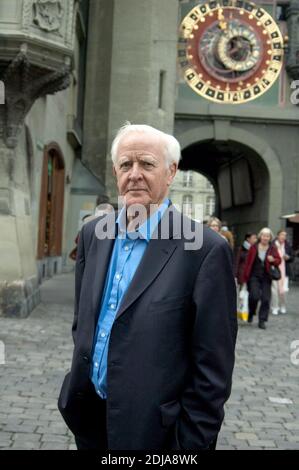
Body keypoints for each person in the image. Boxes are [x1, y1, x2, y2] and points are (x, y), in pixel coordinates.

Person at [58, 123, 237, 450]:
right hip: (89, 420)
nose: (135, 174)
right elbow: (83, 324)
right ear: (115, 172)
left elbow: (213, 369)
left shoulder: (204, 250)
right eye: (126, 164)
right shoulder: (92, 235)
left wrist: (189, 446)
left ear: (171, 172)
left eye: (147, 164)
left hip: (156, 433)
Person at [242, 227, 281, 329]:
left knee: (266, 299)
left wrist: (273, 260)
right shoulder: (253, 247)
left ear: (270, 237)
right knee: (254, 296)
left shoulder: (272, 248)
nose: (265, 238)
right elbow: (247, 263)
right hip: (254, 275)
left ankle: (262, 320)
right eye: (263, 235)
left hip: (266, 276)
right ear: (260, 236)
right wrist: (245, 277)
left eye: (267, 236)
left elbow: (279, 260)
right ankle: (251, 312)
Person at [271, 230, 294, 315]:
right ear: (277, 235)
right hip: (275, 270)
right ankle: (275, 307)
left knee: (283, 290)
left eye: (285, 235)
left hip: (285, 270)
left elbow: (292, 256)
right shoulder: (273, 245)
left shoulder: (287, 245)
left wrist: (288, 257)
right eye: (282, 235)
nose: (283, 237)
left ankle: (283, 305)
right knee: (274, 290)